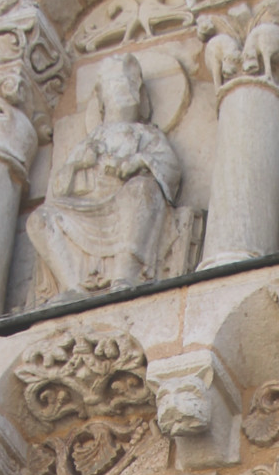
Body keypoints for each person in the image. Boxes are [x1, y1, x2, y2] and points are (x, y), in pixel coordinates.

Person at [27, 55, 180, 299]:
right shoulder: (92, 140)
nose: (120, 94)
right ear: (101, 100)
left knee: (142, 189)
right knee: (40, 218)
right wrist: (80, 166)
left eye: (125, 86)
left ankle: (124, 276)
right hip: (85, 210)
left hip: (122, 204)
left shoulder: (145, 134)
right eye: (113, 87)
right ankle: (71, 287)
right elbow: (58, 188)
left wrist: (137, 162)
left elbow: (169, 165)